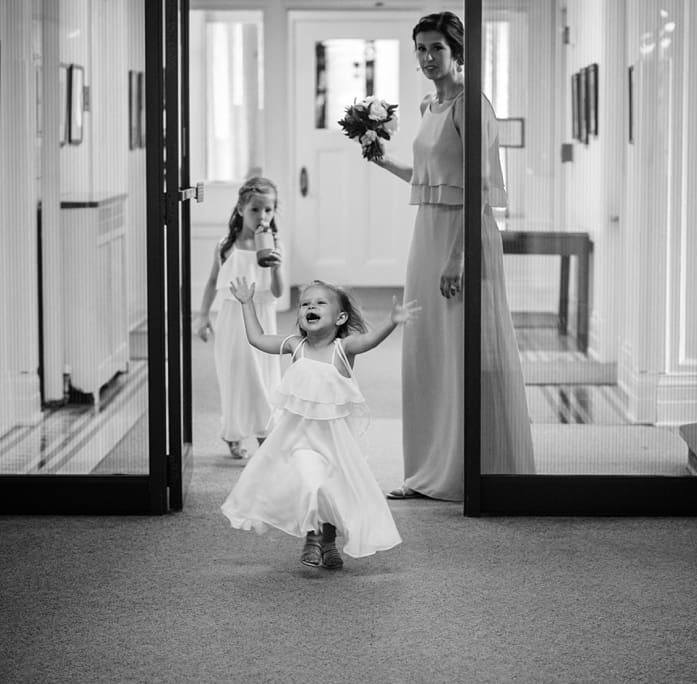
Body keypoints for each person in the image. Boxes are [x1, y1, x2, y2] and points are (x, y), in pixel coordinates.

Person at [370, 11, 534, 501]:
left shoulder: (471, 103)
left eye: (436, 48)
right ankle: (427, 471)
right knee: (428, 351)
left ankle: (469, 472)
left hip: (461, 237)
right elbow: (428, 178)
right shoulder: (429, 105)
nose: (426, 58)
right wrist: (381, 158)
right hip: (428, 234)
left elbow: (477, 188)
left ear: (456, 51)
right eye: (420, 48)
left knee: (463, 348)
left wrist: (458, 258)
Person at [220, 277, 418, 569]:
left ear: (340, 317)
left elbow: (368, 341)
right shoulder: (296, 346)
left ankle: (328, 542)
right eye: (304, 304)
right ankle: (312, 538)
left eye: (319, 303)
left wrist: (392, 322)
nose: (309, 307)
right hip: (300, 440)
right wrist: (247, 303)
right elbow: (258, 339)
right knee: (311, 483)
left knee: (332, 491)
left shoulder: (343, 348)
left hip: (335, 441)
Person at [196, 177, 284, 460]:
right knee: (237, 376)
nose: (263, 216)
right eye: (255, 210)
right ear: (241, 209)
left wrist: (277, 266)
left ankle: (263, 430)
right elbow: (212, 281)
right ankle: (232, 431)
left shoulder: (273, 244)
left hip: (262, 318)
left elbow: (278, 293)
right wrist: (202, 316)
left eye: (268, 210)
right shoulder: (227, 245)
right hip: (233, 319)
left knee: (263, 375)